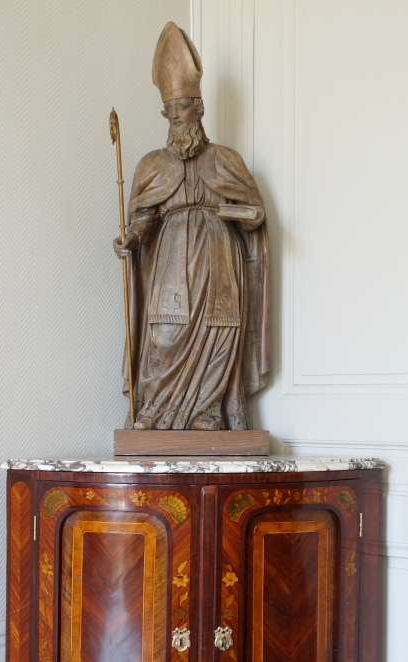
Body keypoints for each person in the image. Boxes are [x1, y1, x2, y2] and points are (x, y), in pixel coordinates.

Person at [113, 22, 270, 431]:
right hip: (170, 261)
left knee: (221, 333)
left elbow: (254, 213)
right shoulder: (151, 164)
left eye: (182, 108)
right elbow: (144, 217)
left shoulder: (226, 160)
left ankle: (207, 412)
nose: (176, 118)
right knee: (164, 331)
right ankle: (152, 410)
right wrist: (131, 236)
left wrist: (246, 216)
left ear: (199, 108)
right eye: (169, 111)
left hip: (219, 259)